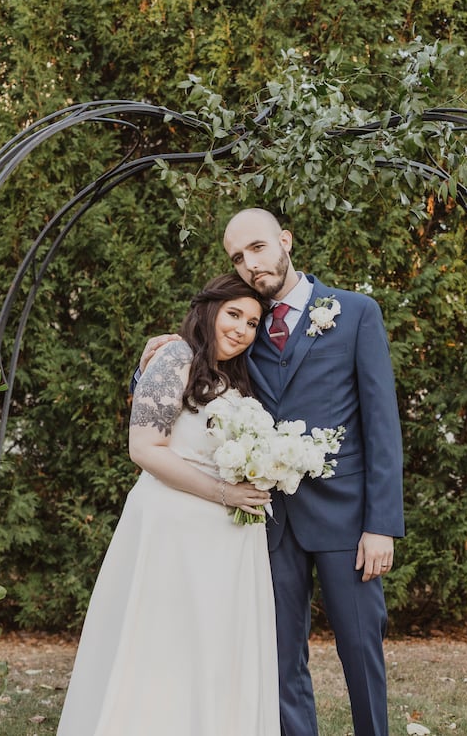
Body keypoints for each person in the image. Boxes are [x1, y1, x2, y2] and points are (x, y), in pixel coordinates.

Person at [140, 208, 406, 736]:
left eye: (257, 248)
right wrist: (159, 350)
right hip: (266, 520)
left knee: (361, 652)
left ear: (285, 241)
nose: (250, 265)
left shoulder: (355, 313)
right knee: (281, 659)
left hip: (346, 521)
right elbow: (197, 364)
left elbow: (382, 425)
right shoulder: (244, 321)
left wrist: (382, 525)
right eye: (237, 258)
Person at [56, 273, 280, 736]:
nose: (241, 329)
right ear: (208, 309)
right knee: (166, 647)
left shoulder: (233, 377)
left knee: (214, 649)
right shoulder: (173, 356)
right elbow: (144, 449)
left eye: (253, 322)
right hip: (173, 531)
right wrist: (225, 493)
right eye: (234, 314)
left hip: (229, 539)